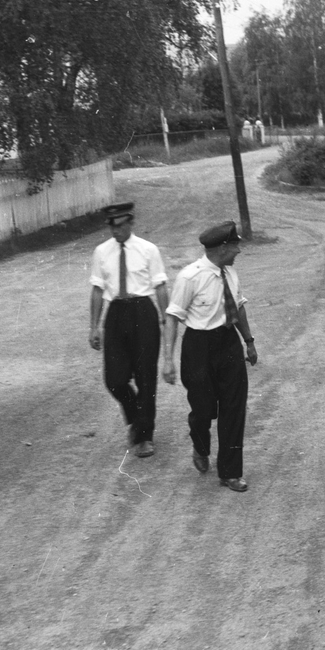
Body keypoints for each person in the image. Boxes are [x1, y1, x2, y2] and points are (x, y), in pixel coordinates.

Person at [162, 222, 258, 493]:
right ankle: (200, 446)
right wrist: (167, 360)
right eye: (235, 246)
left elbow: (238, 308)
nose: (239, 251)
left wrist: (249, 342)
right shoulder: (190, 277)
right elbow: (172, 317)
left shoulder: (231, 273)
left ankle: (230, 472)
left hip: (228, 343)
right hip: (199, 347)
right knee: (203, 409)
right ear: (223, 248)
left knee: (234, 408)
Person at [88, 202, 169, 458]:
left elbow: (160, 286)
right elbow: (97, 290)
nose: (116, 231)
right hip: (116, 313)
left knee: (146, 377)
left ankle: (144, 437)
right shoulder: (101, 252)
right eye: (112, 227)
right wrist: (94, 327)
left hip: (143, 312)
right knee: (114, 380)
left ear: (131, 223)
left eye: (121, 226)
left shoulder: (148, 250)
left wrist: (166, 319)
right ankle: (136, 417)